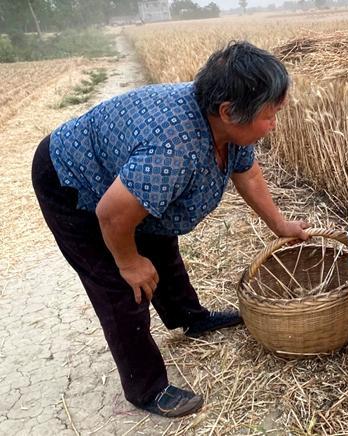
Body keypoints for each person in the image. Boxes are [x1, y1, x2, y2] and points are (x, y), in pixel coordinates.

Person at [31, 41, 309, 417]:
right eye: (270, 115)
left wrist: (279, 224)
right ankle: (145, 387)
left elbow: (248, 173)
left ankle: (189, 318)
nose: (274, 123)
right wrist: (129, 262)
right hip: (71, 179)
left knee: (161, 247)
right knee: (120, 286)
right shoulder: (172, 148)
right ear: (229, 111)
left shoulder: (227, 128)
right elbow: (113, 215)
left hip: (122, 185)